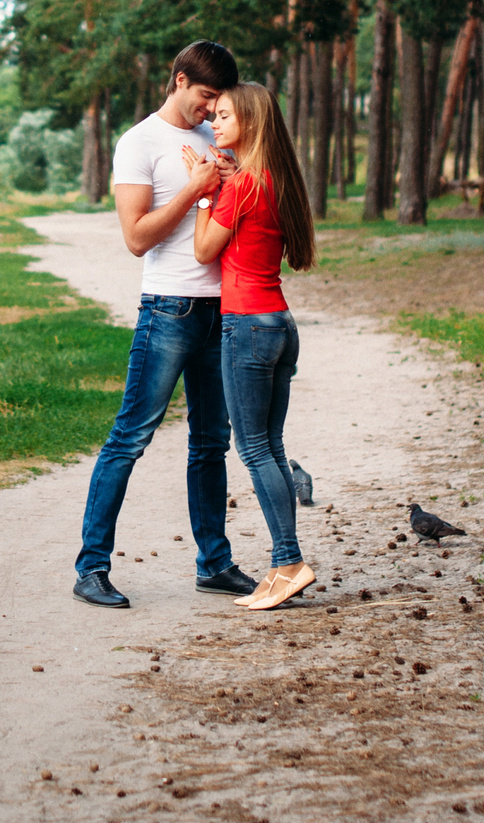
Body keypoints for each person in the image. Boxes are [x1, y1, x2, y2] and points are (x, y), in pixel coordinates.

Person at [71, 40, 257, 609]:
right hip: (169, 309)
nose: (210, 109)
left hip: (222, 310)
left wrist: (231, 181)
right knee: (130, 437)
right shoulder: (139, 142)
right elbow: (136, 237)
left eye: (218, 101)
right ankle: (91, 568)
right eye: (205, 96)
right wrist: (195, 190)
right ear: (179, 80)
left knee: (211, 443)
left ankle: (214, 564)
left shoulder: (215, 138)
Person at [189, 82, 317, 610]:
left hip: (246, 326)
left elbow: (203, 251)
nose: (214, 123)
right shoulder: (273, 179)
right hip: (279, 324)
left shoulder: (242, 185)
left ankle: (289, 562)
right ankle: (284, 564)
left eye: (223, 116)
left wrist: (202, 193)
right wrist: (223, 180)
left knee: (254, 449)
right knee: (273, 447)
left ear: (251, 121)